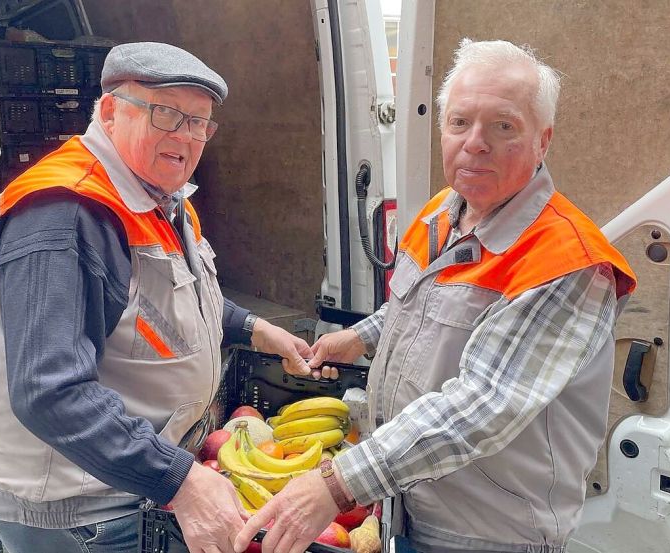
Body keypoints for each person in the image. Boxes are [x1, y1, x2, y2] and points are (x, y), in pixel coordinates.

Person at [235, 39, 638, 553]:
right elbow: (420, 306)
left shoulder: (567, 262)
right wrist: (359, 338)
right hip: (407, 506)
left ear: (544, 141)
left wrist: (337, 485)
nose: (475, 143)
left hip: (487, 534)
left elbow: (484, 405)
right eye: (459, 122)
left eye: (504, 126)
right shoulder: (443, 213)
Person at [0, 42, 312, 553]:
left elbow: (165, 306)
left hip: (127, 484)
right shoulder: (66, 214)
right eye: (168, 115)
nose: (188, 137)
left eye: (201, 123)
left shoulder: (155, 197)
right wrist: (181, 480)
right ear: (110, 111)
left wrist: (256, 329)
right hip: (77, 507)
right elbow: (47, 389)